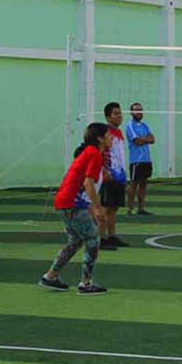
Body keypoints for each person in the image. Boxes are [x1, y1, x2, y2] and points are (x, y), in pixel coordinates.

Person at [40, 123, 110, 294]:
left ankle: (50, 277)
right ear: (100, 138)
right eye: (109, 135)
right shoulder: (94, 153)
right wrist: (98, 208)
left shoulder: (89, 153)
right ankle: (86, 284)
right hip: (72, 203)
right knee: (93, 239)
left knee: (76, 242)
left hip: (64, 202)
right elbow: (88, 183)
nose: (112, 138)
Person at [99, 102, 128, 248]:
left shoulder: (119, 133)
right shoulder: (106, 133)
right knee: (105, 207)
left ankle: (112, 236)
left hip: (119, 175)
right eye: (115, 113)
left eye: (120, 113)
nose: (119, 116)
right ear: (108, 117)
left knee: (114, 207)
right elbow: (102, 152)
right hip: (109, 174)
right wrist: (105, 171)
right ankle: (101, 238)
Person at [124, 102, 155, 217]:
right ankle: (130, 209)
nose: (139, 112)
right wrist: (145, 139)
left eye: (140, 110)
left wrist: (144, 139)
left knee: (144, 184)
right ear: (131, 112)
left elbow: (152, 139)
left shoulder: (144, 126)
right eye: (136, 110)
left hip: (146, 160)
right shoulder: (130, 126)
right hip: (136, 160)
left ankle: (141, 208)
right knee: (133, 184)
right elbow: (136, 141)